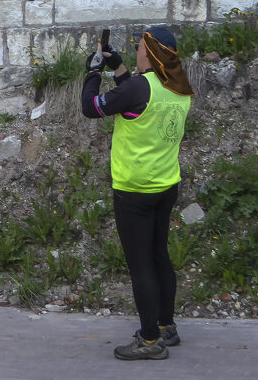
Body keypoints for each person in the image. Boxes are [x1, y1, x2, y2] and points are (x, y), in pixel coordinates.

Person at [82, 26, 193, 361]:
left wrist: (93, 72)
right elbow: (136, 100)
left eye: (141, 46)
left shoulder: (139, 88)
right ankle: (165, 327)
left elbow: (91, 107)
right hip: (166, 185)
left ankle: (148, 342)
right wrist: (118, 67)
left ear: (152, 53)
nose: (137, 50)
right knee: (159, 256)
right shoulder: (178, 88)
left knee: (140, 264)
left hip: (134, 189)